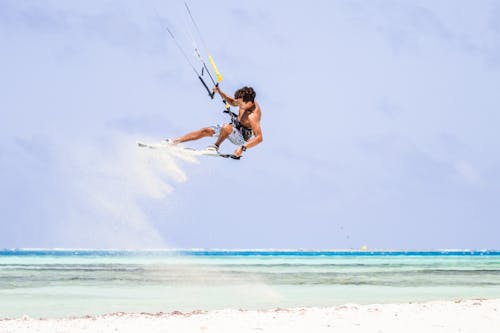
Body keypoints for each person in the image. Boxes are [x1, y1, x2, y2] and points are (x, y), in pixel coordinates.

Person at [170, 86, 263, 158]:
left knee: (226, 127)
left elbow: (259, 138)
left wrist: (243, 148)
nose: (237, 104)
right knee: (205, 131)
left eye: (240, 103)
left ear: (249, 103)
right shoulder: (244, 100)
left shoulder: (253, 115)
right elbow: (232, 101)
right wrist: (220, 92)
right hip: (233, 128)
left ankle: (215, 147)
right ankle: (175, 141)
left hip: (241, 138)